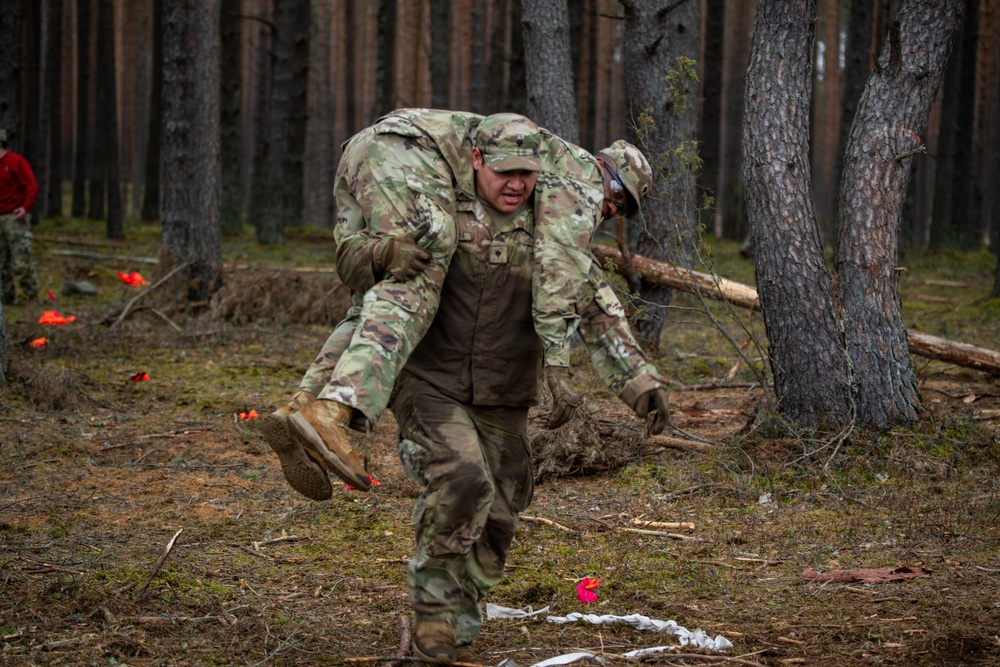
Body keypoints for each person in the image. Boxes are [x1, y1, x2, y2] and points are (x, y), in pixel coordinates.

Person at [333, 116, 668, 662]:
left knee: (503, 509)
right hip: (431, 381)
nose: (516, 184)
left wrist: (641, 385)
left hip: (506, 394)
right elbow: (359, 260)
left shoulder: (557, 236)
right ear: (478, 162)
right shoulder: (443, 210)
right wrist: (382, 255)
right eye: (505, 172)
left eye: (527, 175)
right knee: (463, 480)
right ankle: (434, 621)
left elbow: (597, 310)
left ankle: (461, 616)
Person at [0, 128, 40, 306]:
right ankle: (7, 298)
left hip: (14, 218)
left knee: (21, 261)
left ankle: (31, 296)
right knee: (2, 263)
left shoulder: (16, 162)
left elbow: (30, 186)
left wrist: (25, 208)